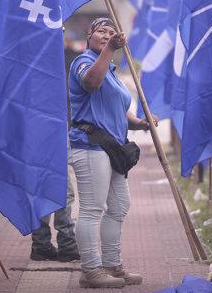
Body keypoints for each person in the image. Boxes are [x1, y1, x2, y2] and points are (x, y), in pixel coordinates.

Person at [68, 17, 158, 289]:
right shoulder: (82, 62)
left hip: (113, 148)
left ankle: (112, 265)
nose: (106, 35)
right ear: (89, 34)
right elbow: (91, 84)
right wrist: (110, 50)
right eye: (101, 32)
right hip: (90, 145)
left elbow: (119, 110)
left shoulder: (112, 71)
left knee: (119, 207)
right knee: (92, 209)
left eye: (111, 32)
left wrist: (140, 122)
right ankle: (91, 270)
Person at [30, 168, 80, 262]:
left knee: (41, 194)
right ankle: (67, 246)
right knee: (64, 194)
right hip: (54, 156)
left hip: (36, 156)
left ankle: (41, 245)